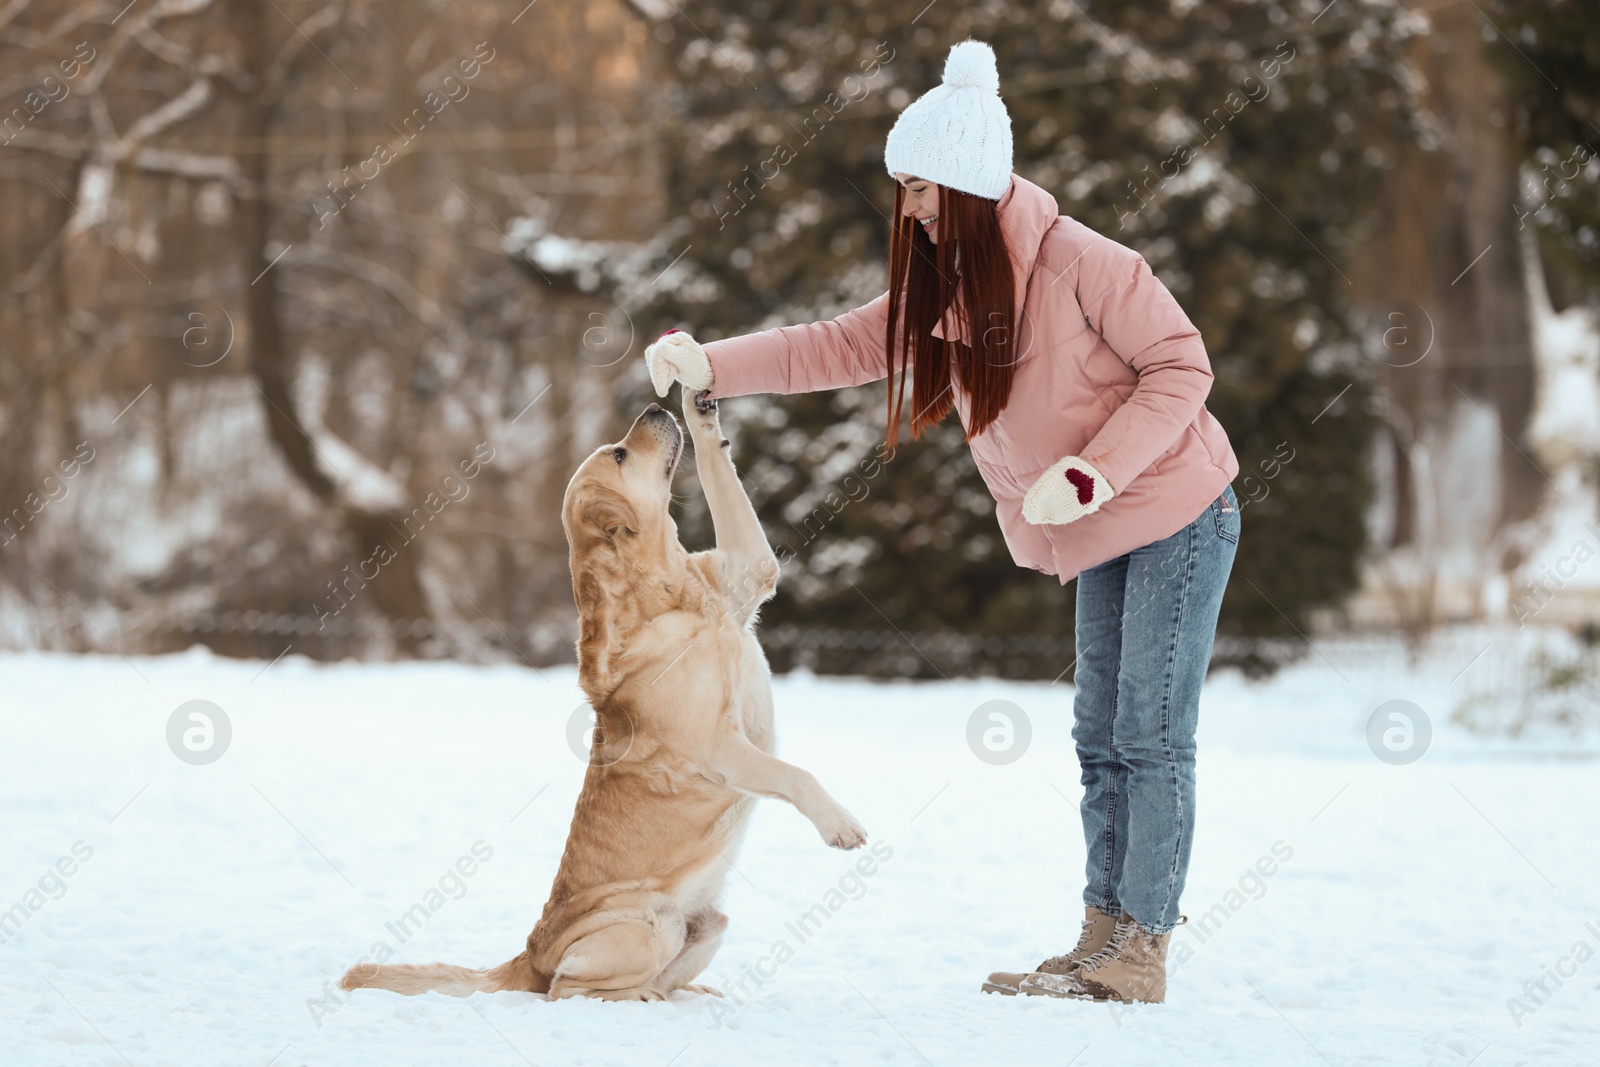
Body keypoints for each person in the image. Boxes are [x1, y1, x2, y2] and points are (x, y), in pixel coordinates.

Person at [642, 38, 1240, 1005]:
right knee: (1097, 734)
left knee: (1149, 732)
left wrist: (1094, 472)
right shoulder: (949, 287)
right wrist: (712, 362)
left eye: (920, 187)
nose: (909, 206)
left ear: (964, 183)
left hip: (1176, 510)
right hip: (1100, 529)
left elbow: (1183, 366)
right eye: (904, 188)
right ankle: (1099, 937)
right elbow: (834, 346)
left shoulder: (1083, 261)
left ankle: (1142, 949)